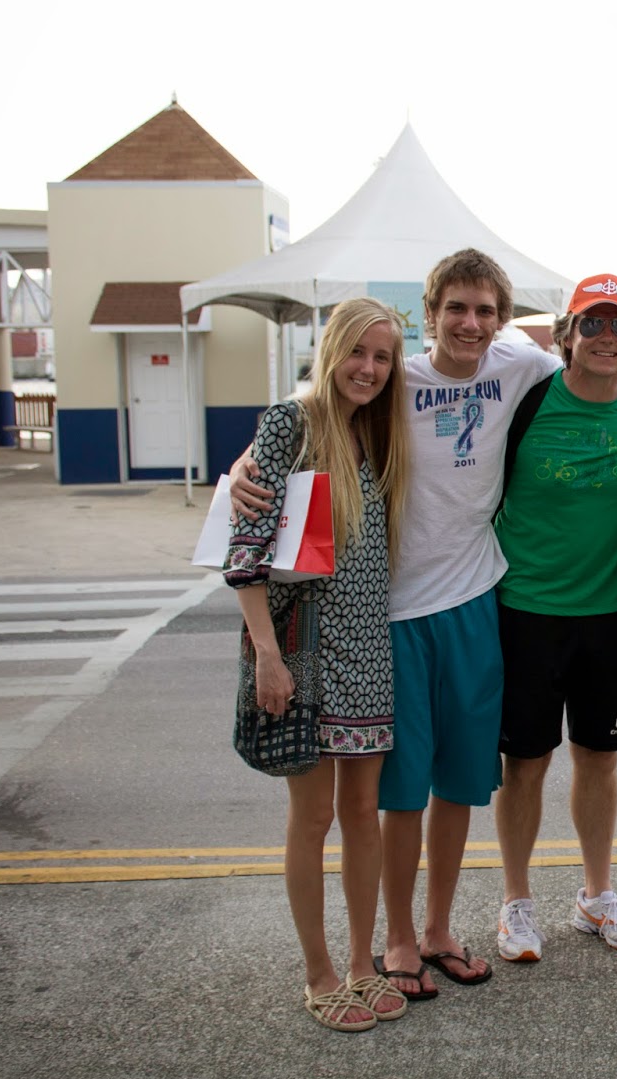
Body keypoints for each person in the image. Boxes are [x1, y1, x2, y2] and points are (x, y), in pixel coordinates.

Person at [229, 250, 564, 1002]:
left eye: (485, 310)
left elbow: (600, 378)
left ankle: (439, 929)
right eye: (456, 308)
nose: (470, 323)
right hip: (390, 618)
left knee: (461, 783)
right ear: (431, 313)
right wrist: (247, 461)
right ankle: (399, 940)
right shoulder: (394, 379)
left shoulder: (520, 365)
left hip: (475, 600)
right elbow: (308, 412)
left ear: (501, 319)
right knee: (400, 793)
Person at [225, 297, 412, 1030]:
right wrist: (268, 659)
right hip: (299, 646)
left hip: (366, 648)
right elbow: (245, 552)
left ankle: (363, 963)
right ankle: (319, 973)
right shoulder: (292, 423)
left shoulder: (381, 431)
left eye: (382, 356)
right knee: (313, 816)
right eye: (357, 352)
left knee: (363, 812)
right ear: (331, 351)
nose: (368, 368)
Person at [491, 273, 617, 963]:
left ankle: (596, 895)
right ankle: (516, 901)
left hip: (611, 617)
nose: (606, 337)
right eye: (592, 323)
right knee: (525, 763)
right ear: (567, 335)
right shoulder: (527, 401)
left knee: (598, 758)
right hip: (525, 611)